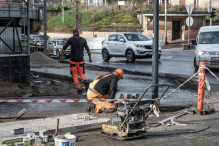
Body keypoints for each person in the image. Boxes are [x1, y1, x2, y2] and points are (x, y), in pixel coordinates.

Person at [59, 29, 92, 95]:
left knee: (75, 76)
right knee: (82, 74)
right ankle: (85, 81)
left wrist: (61, 56)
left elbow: (64, 48)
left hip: (73, 61)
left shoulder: (70, 39)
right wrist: (90, 58)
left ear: (73, 33)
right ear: (78, 33)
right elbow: (88, 50)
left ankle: (79, 90)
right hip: (81, 61)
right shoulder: (83, 40)